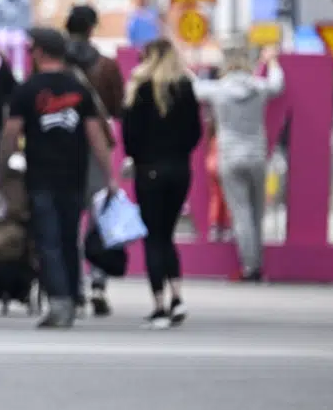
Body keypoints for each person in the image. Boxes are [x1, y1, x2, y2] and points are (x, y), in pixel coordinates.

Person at [0, 28, 116, 329]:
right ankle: (73, 297)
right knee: (68, 238)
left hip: (41, 177)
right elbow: (96, 136)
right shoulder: (80, 89)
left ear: (39, 52)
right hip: (75, 177)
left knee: (48, 241)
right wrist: (109, 176)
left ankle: (60, 302)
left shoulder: (28, 90)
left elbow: (11, 134)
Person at [120, 39, 202, 327]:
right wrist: (178, 153)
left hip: (149, 171)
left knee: (153, 237)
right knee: (168, 234)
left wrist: (139, 156)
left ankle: (158, 306)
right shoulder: (185, 87)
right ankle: (177, 297)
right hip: (180, 170)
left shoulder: (140, 89)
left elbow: (129, 135)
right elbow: (196, 132)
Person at [194, 45, 283, 281]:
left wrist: (184, 66)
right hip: (257, 156)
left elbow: (194, 89)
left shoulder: (218, 90)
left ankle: (250, 267)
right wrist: (272, 61)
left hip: (230, 157)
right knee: (256, 214)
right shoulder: (260, 87)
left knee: (241, 214)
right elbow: (277, 84)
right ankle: (258, 264)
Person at [64, 4, 125, 316]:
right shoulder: (107, 66)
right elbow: (116, 108)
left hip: (61, 149)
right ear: (92, 29)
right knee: (99, 218)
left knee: (67, 221)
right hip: (97, 147)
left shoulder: (54, 66)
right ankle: (98, 283)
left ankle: (73, 287)